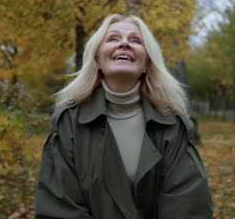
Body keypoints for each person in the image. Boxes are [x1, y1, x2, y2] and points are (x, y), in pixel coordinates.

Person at [34, 14, 213, 219]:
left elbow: (187, 205)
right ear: (97, 60)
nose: (125, 44)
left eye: (136, 40)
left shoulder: (171, 125)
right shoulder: (69, 123)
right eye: (113, 39)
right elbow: (59, 207)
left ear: (147, 63)